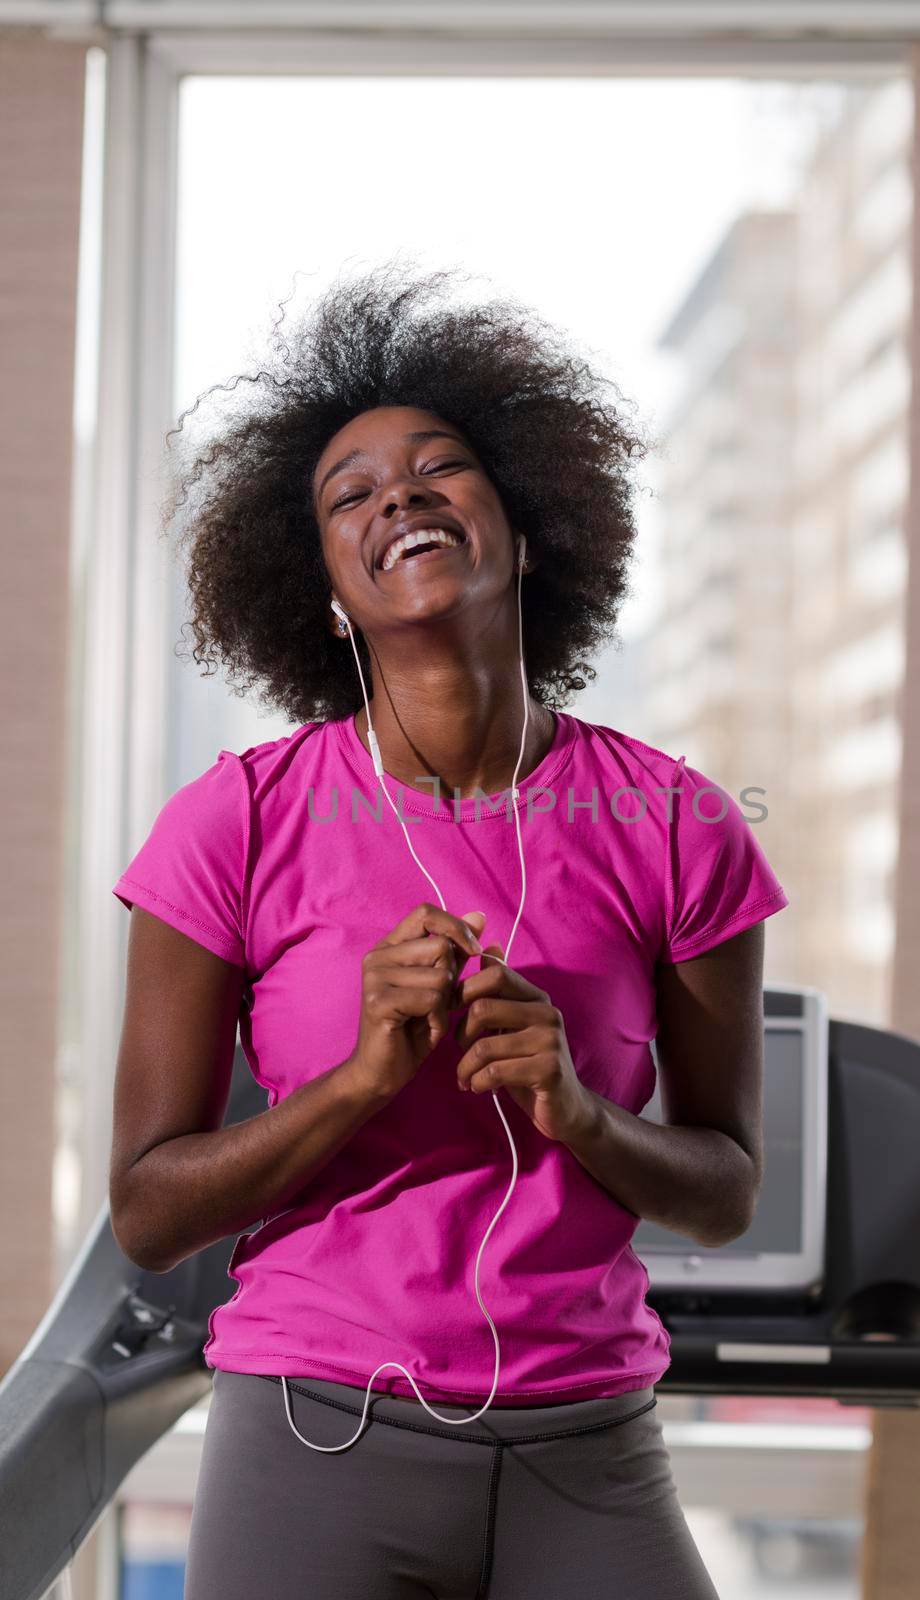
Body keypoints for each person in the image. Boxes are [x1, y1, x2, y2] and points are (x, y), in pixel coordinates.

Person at [109, 263, 789, 1599]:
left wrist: (580, 1111)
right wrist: (361, 1079)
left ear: (529, 531)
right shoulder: (232, 824)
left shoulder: (676, 822)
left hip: (587, 1444)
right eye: (349, 495)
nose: (399, 497)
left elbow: (725, 1192)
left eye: (439, 470)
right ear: (321, 589)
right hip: (315, 1435)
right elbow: (147, 1213)